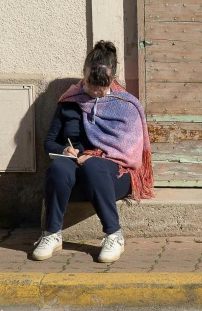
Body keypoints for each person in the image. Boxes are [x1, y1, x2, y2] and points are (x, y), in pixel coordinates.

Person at [32, 41, 154, 263]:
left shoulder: (125, 104)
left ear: (112, 79)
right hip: (76, 175)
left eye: (102, 85)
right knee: (59, 167)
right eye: (91, 84)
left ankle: (114, 235)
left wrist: (96, 155)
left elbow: (130, 153)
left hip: (113, 175)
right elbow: (49, 141)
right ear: (84, 76)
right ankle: (51, 234)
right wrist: (63, 149)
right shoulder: (70, 102)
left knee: (92, 166)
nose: (96, 91)